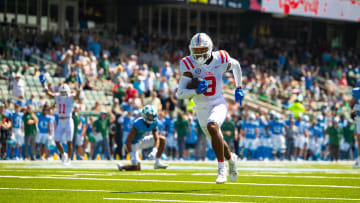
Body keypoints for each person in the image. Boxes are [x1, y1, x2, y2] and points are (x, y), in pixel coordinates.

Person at [176, 33, 243, 183]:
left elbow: (236, 65)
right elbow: (180, 93)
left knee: (213, 126)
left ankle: (221, 170)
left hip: (218, 103)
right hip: (201, 108)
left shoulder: (220, 58)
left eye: (202, 50)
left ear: (210, 48)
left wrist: (239, 87)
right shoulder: (188, 64)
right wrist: (195, 91)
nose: (199, 54)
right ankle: (231, 159)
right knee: (216, 138)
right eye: (196, 50)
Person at [117, 105, 168, 171]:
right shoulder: (137, 123)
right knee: (137, 167)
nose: (152, 118)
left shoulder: (154, 123)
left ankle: (157, 162)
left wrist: (154, 151)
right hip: (133, 143)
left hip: (142, 140)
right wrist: (131, 155)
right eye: (150, 116)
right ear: (144, 115)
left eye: (153, 116)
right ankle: (122, 166)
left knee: (162, 139)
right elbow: (128, 141)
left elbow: (157, 138)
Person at [43, 81, 81, 164]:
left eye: (65, 92)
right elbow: (50, 94)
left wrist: (79, 88)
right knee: (56, 140)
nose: (63, 93)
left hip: (68, 120)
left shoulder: (71, 97)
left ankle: (69, 159)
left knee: (69, 141)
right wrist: (44, 86)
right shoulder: (58, 96)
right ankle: (64, 154)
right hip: (60, 120)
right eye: (62, 92)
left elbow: (77, 96)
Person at [350, 87, 360, 168]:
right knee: (359, 138)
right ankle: (359, 159)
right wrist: (354, 108)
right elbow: (351, 104)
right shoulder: (356, 91)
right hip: (359, 118)